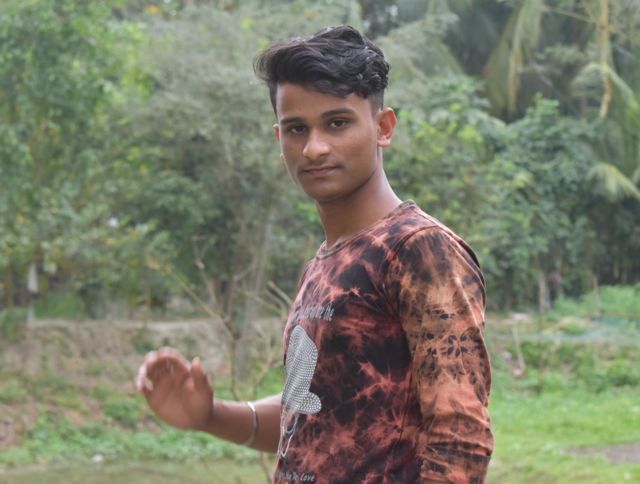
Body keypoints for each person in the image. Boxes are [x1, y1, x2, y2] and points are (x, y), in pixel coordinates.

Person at [136, 25, 493, 483]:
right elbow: (311, 416)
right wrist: (209, 415)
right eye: (296, 129)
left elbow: (461, 439)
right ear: (278, 137)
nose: (314, 147)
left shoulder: (418, 249)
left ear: (383, 128)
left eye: (337, 123)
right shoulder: (325, 262)